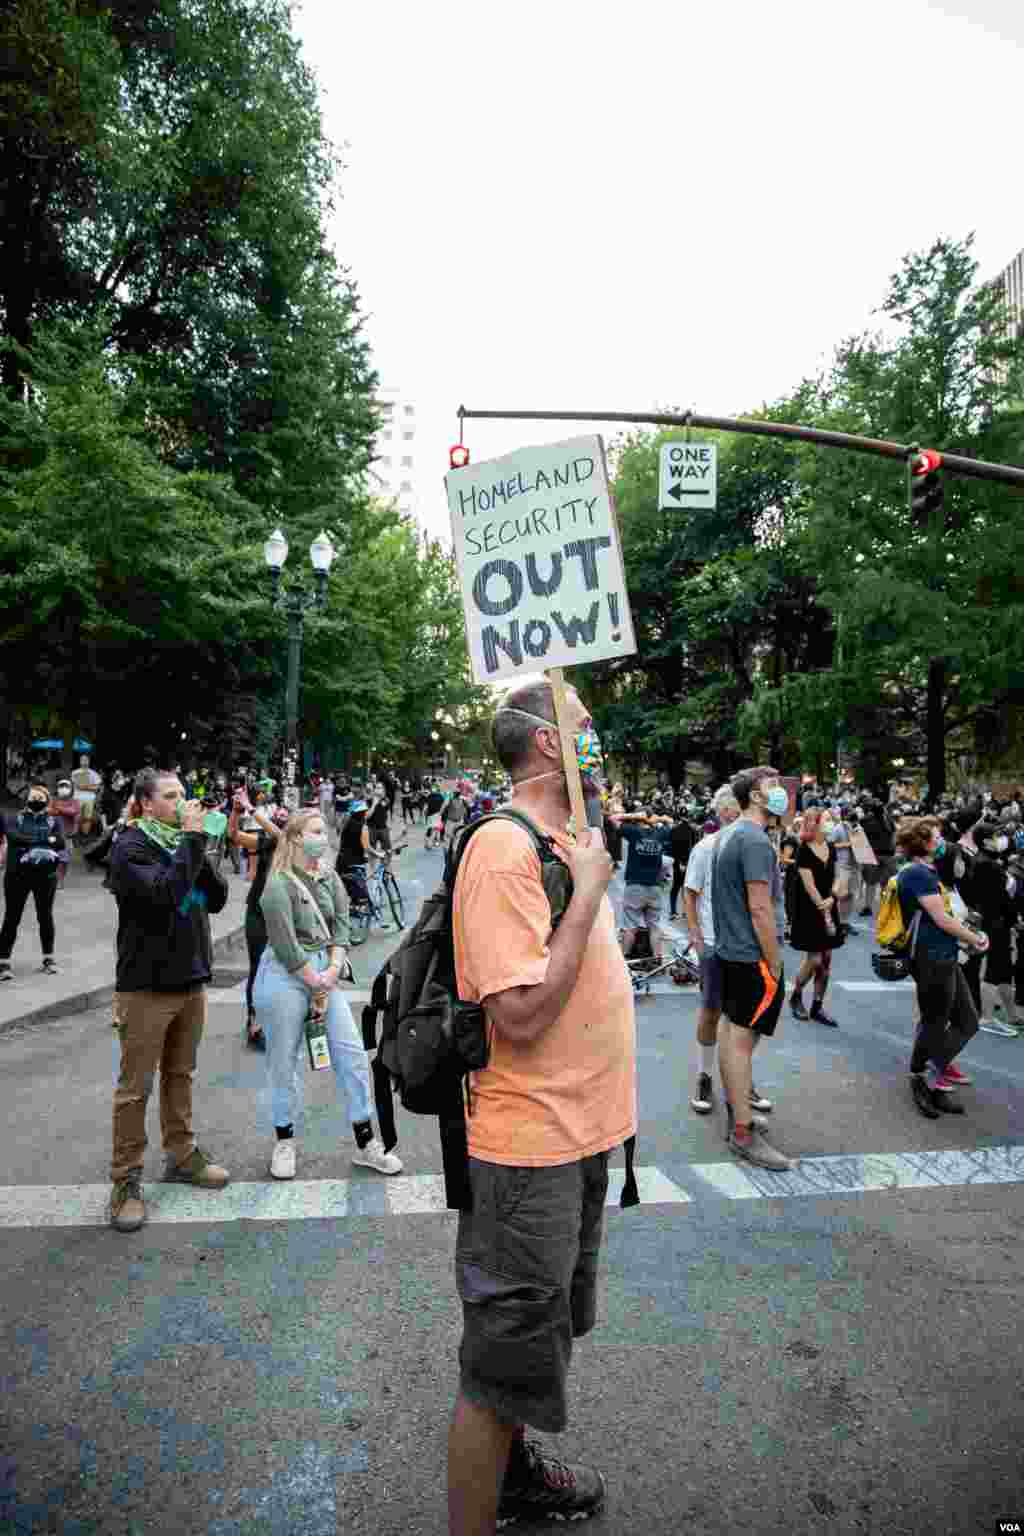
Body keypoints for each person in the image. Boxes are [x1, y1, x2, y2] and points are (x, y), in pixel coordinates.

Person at [447, 679, 634, 1534]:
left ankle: (515, 1481)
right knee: (499, 1370)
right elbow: (517, 1016)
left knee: (537, 1347)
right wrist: (589, 887)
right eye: (586, 725)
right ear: (552, 744)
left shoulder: (571, 838)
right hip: (530, 1151)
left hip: (580, 1138)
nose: (600, 736)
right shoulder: (502, 846)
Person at [107, 768, 232, 1233]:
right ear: (145, 803)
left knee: (181, 1074)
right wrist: (192, 845)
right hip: (145, 985)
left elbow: (215, 899)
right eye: (171, 795)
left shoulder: (183, 843)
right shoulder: (131, 848)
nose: (183, 801)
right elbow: (165, 894)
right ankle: (125, 1180)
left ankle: (181, 1153)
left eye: (184, 793)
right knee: (134, 1087)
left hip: (190, 979)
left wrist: (205, 848)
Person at [254, 807, 401, 1179]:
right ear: (298, 838)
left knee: (351, 1055)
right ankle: (284, 1140)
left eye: (324, 830)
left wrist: (332, 969)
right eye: (316, 831)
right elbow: (285, 942)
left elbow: (341, 924)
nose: (325, 837)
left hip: (325, 971)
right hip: (288, 975)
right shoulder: (278, 884)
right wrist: (313, 978)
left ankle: (367, 1141)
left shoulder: (329, 876)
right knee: (283, 1062)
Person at [711, 764, 796, 1171]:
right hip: (752, 957)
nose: (780, 791)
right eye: (772, 786)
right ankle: (743, 1132)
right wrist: (775, 963)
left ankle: (739, 1119)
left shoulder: (729, 836)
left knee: (731, 1036)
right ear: (756, 796)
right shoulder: (756, 841)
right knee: (741, 1042)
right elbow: (760, 907)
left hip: (732, 952)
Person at [684, 787, 774, 1122]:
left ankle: (740, 1081)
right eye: (736, 810)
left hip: (747, 950)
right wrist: (696, 935)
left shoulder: (753, 843)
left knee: (747, 1022)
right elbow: (689, 892)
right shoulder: (706, 847)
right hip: (714, 945)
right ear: (722, 813)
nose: (743, 816)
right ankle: (704, 1076)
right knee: (712, 1012)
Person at [894, 817, 987, 1117]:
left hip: (943, 955)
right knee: (935, 1022)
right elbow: (941, 919)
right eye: (936, 837)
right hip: (931, 958)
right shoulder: (919, 874)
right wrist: (975, 939)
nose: (941, 841)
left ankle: (932, 1073)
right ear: (923, 843)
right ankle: (923, 1079)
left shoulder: (924, 872)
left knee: (967, 1021)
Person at [228, 786, 285, 1049]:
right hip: (257, 913)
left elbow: (279, 833)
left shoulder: (288, 844)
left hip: (283, 916)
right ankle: (254, 1021)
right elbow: (233, 835)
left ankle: (279, 1015)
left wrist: (252, 809)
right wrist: (236, 812)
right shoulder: (266, 843)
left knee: (281, 967)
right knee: (257, 965)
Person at [0, 783, 66, 980]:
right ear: (26, 799)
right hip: (17, 875)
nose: (36, 801)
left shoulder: (54, 820)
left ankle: (48, 959)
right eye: (33, 797)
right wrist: (46, 840)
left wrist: (34, 840)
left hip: (45, 876)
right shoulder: (14, 818)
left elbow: (61, 841)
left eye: (40, 798)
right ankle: (3, 962)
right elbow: (14, 837)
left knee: (45, 916)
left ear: (47, 800)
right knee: (12, 917)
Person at [788, 807, 842, 1028]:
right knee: (815, 959)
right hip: (810, 909)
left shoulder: (830, 846)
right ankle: (796, 995)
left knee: (826, 960)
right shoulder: (803, 850)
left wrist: (833, 897)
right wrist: (823, 904)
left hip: (829, 904)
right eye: (827, 820)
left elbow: (838, 876)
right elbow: (808, 885)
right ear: (815, 823)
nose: (831, 823)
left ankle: (817, 1006)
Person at [614, 810, 672, 963]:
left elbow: (614, 819)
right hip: (655, 886)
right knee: (654, 926)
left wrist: (635, 816)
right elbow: (670, 822)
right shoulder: (660, 834)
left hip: (635, 885)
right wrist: (658, 818)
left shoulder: (634, 832)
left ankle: (623, 959)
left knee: (630, 925)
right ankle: (657, 957)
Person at [49, 777, 81, 886]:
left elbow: (74, 812)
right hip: (54, 834)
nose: (63, 788)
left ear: (70, 789)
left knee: (65, 860)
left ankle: (61, 878)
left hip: (68, 835)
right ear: (58, 788)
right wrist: (61, 810)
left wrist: (60, 809)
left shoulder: (75, 802)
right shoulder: (53, 801)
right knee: (55, 858)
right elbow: (49, 812)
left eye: (66, 786)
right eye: (61, 786)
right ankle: (57, 879)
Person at [71, 753, 102, 839]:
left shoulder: (94, 774)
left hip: (90, 799)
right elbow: (76, 786)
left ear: (89, 761)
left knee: (87, 818)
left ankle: (85, 835)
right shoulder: (74, 773)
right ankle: (75, 835)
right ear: (80, 761)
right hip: (77, 798)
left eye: (86, 760)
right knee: (77, 817)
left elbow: (96, 788)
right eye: (82, 760)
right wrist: (89, 786)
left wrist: (84, 787)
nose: (84, 761)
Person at [424, 783, 445, 849]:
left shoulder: (440, 796)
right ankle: (427, 844)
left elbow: (443, 805)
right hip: (431, 815)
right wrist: (425, 812)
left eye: (435, 787)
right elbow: (426, 805)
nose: (433, 789)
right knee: (430, 829)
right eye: (433, 788)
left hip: (437, 815)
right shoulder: (430, 796)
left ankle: (434, 842)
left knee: (436, 830)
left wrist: (440, 813)